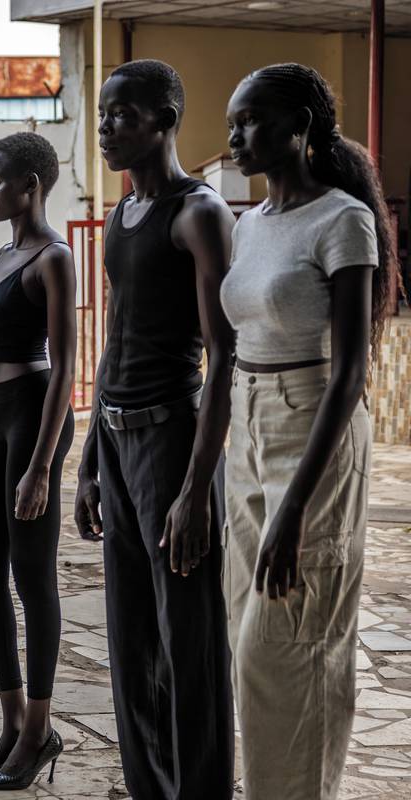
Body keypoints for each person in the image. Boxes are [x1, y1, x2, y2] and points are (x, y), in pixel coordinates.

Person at [221, 63, 398, 799]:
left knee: (292, 639)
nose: (236, 138)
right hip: (247, 425)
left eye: (251, 121)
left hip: (313, 428)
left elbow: (351, 370)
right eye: (232, 123)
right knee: (249, 641)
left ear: (299, 128)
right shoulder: (247, 225)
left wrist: (295, 506)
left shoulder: (342, 220)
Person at [74, 60, 236, 799]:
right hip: (116, 438)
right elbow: (116, 339)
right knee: (132, 638)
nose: (107, 129)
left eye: (124, 115)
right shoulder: (121, 215)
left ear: (166, 120)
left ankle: (200, 788)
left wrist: (197, 489)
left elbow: (223, 354)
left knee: (187, 639)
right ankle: (150, 786)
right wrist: (88, 457)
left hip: (173, 441)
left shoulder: (198, 213)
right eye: (104, 114)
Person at [0, 132, 76, 789]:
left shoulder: (53, 258)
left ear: (31, 185)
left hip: (35, 416)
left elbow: (65, 367)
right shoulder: (4, 253)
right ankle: (10, 724)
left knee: (32, 576)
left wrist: (40, 465)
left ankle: (39, 730)